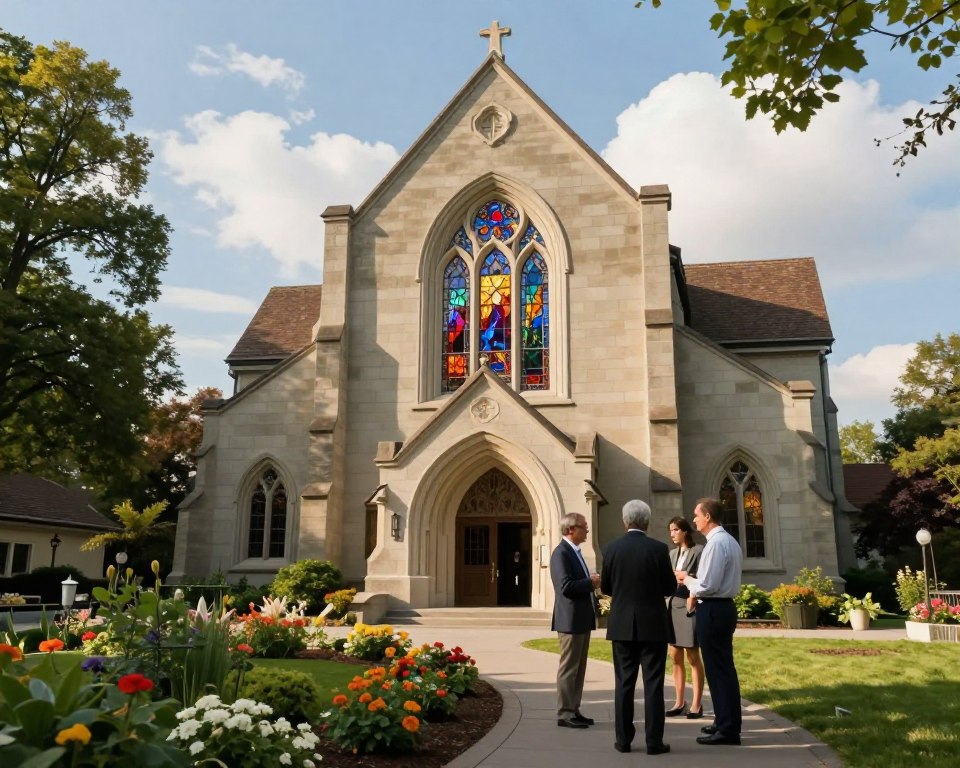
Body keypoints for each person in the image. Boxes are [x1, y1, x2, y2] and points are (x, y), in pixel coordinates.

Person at [600, 499, 676, 756]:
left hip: (622, 624)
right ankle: (654, 742)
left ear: (625, 521)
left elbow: (606, 587)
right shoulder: (658, 549)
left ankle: (623, 740)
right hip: (653, 624)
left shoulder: (612, 549)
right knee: (653, 684)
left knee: (624, 684)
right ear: (647, 521)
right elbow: (669, 587)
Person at [680, 497, 744, 746]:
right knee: (721, 669)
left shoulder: (717, 544)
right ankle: (724, 721)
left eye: (697, 514)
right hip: (720, 608)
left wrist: (686, 579)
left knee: (719, 670)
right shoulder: (726, 541)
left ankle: (727, 729)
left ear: (707, 517)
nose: (694, 518)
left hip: (714, 609)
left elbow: (708, 585)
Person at [549, 512, 600, 729]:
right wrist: (590, 582)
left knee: (579, 668)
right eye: (583, 526)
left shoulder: (575, 552)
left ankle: (574, 708)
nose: (587, 530)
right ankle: (564, 712)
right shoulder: (561, 554)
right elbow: (566, 587)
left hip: (581, 618)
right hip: (569, 621)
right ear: (571, 529)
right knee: (569, 667)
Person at [665, 516, 705, 719]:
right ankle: (679, 701)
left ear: (685, 531)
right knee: (675, 655)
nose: (672, 534)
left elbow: (702, 576)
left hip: (689, 605)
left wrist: (689, 589)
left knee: (692, 655)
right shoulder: (671, 553)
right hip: (672, 605)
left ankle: (697, 703)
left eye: (675, 530)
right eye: (670, 530)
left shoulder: (698, 551)